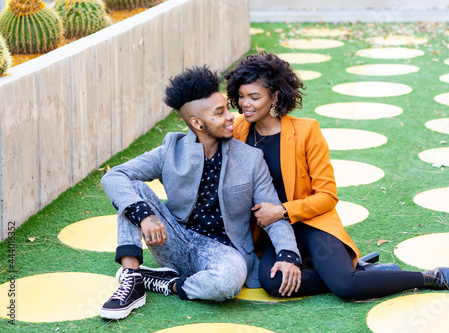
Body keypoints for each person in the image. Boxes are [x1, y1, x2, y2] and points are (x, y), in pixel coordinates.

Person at [224, 53, 449, 300]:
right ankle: (365, 272)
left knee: (345, 287)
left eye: (254, 97)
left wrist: (281, 210)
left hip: (311, 222)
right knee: (273, 282)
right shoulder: (237, 129)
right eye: (242, 96)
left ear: (275, 96)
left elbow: (327, 196)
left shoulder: (306, 131)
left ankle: (431, 277)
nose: (245, 104)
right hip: (275, 230)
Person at [99, 66, 302, 320]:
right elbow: (114, 176)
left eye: (227, 108)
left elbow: (272, 212)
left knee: (229, 282)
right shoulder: (171, 149)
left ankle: (167, 283)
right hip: (173, 238)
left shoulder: (250, 159)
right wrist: (145, 216)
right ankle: (132, 281)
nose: (232, 117)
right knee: (133, 190)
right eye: (220, 113)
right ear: (197, 123)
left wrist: (288, 255)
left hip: (224, 252)